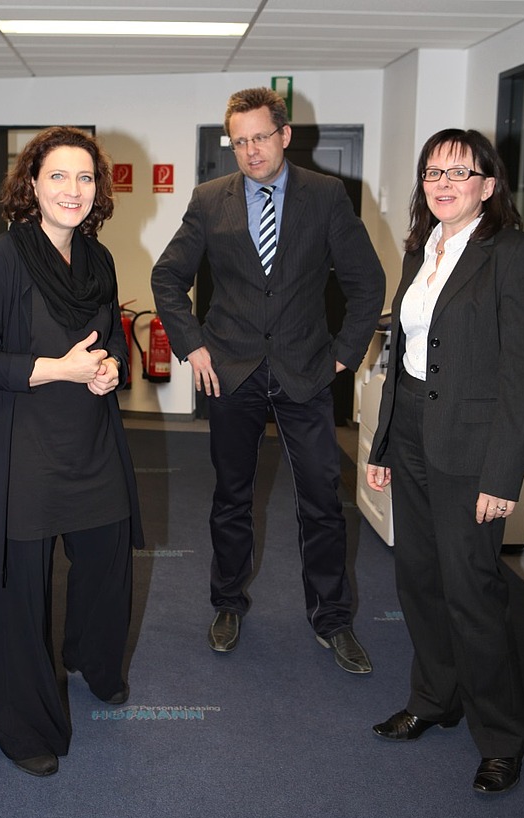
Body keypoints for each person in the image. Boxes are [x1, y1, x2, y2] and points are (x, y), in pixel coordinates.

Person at [152, 87, 385, 672]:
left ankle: (332, 619)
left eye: (260, 137)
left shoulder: (325, 195)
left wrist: (344, 354)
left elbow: (367, 283)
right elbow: (167, 277)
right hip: (231, 370)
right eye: (240, 141)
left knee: (323, 501)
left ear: (284, 135)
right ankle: (227, 602)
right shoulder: (210, 199)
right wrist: (192, 345)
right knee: (231, 497)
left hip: (306, 370)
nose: (251, 150)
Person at [0, 126, 144, 777]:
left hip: (92, 444)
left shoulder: (98, 259)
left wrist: (110, 369)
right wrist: (58, 369)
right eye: (58, 175)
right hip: (23, 453)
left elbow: (111, 341)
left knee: (108, 565)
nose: (73, 189)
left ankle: (91, 660)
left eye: (84, 177)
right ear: (31, 185)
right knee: (20, 596)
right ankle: (24, 727)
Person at [366, 128, 524, 794]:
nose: (443, 183)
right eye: (434, 172)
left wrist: (503, 474)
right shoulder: (421, 248)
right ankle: (435, 699)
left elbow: (521, 372)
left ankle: (503, 736)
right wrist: (382, 442)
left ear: (488, 186)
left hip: (472, 448)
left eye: (460, 173)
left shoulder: (511, 253)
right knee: (420, 582)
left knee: (472, 593)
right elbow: (403, 357)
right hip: (410, 435)